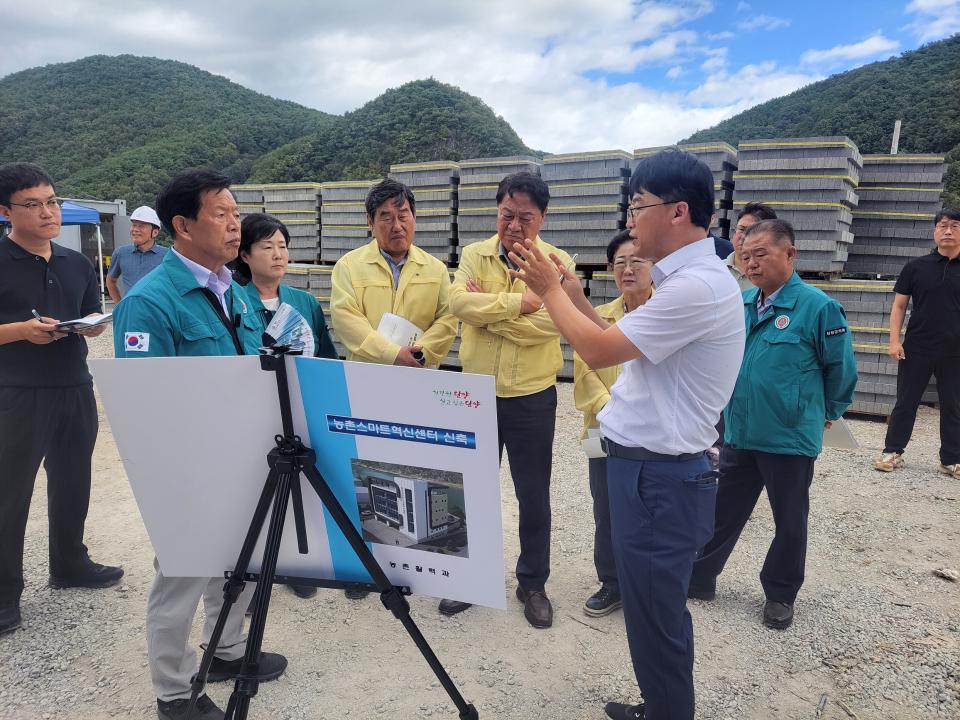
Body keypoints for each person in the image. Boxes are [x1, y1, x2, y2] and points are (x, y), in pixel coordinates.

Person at [507, 149, 745, 719]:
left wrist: (549, 290)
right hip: (646, 470)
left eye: (638, 207)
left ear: (678, 211)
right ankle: (659, 706)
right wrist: (575, 295)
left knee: (657, 613)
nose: (630, 221)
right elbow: (618, 342)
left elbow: (595, 351)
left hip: (659, 477)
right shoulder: (687, 282)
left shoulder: (695, 288)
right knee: (647, 606)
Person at [113, 169, 286, 720]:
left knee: (236, 564)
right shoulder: (149, 302)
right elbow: (144, 403)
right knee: (182, 575)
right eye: (221, 214)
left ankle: (227, 649)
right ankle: (173, 690)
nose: (235, 224)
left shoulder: (232, 290)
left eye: (236, 213)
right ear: (183, 226)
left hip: (241, 455)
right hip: (187, 465)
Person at [689, 219, 857, 631]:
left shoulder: (818, 307)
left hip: (789, 436)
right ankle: (700, 576)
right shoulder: (744, 303)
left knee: (789, 520)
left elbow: (842, 372)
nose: (751, 263)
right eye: (745, 256)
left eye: (761, 254)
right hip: (741, 431)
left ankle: (780, 594)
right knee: (723, 510)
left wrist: (824, 413)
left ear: (790, 254)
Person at [0, 162, 123, 637]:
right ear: (6, 211)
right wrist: (20, 331)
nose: (47, 212)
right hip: (16, 393)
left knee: (73, 481)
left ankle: (69, 563)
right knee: (10, 494)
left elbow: (88, 313)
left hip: (74, 384)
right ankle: (4, 592)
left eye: (52, 202)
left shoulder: (77, 263)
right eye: (32, 205)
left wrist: (91, 326)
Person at [445, 171, 572, 629]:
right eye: (507, 214)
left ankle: (532, 584)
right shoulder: (474, 254)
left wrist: (488, 313)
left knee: (532, 495)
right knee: (469, 491)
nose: (514, 226)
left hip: (531, 396)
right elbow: (458, 304)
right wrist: (519, 304)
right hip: (476, 395)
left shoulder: (557, 263)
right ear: (497, 210)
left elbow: (554, 325)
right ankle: (469, 578)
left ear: (543, 217)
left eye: (525, 217)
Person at [331, 178, 457, 599]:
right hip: (367, 382)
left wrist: (419, 354)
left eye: (403, 214)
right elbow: (346, 320)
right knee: (364, 472)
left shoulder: (435, 269)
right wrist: (392, 354)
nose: (396, 224)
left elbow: (447, 319)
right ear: (370, 222)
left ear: (415, 218)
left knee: (413, 469)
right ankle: (363, 567)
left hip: (416, 383)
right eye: (385, 216)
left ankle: (411, 561)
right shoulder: (350, 266)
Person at [233, 212, 337, 599]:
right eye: (267, 246)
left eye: (282, 246)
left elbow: (325, 356)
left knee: (300, 491)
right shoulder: (232, 301)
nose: (278, 254)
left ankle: (297, 566)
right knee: (251, 491)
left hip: (298, 409)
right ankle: (253, 574)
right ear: (245, 254)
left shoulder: (304, 302)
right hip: (252, 411)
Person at [574, 230, 653, 618]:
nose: (628, 269)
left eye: (636, 260)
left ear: (654, 265)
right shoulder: (600, 316)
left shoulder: (664, 314)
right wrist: (614, 410)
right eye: (620, 262)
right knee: (605, 507)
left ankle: (644, 583)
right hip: (599, 430)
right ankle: (611, 582)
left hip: (648, 432)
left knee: (647, 507)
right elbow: (584, 370)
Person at [874, 208, 960, 478]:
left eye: (955, 226)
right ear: (935, 231)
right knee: (906, 401)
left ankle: (951, 459)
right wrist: (894, 340)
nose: (948, 231)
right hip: (917, 347)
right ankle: (892, 451)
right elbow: (899, 306)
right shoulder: (915, 267)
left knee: (954, 405)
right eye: (943, 226)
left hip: (955, 350)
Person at [106, 205, 168, 301]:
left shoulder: (167, 255)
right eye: (134, 225)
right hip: (131, 310)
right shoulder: (121, 253)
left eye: (141, 226)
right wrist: (120, 305)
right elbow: (110, 281)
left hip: (157, 309)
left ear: (155, 232)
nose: (135, 229)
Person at [728, 202, 777, 291]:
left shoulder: (774, 277)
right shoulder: (716, 269)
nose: (744, 236)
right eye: (741, 229)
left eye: (753, 231)